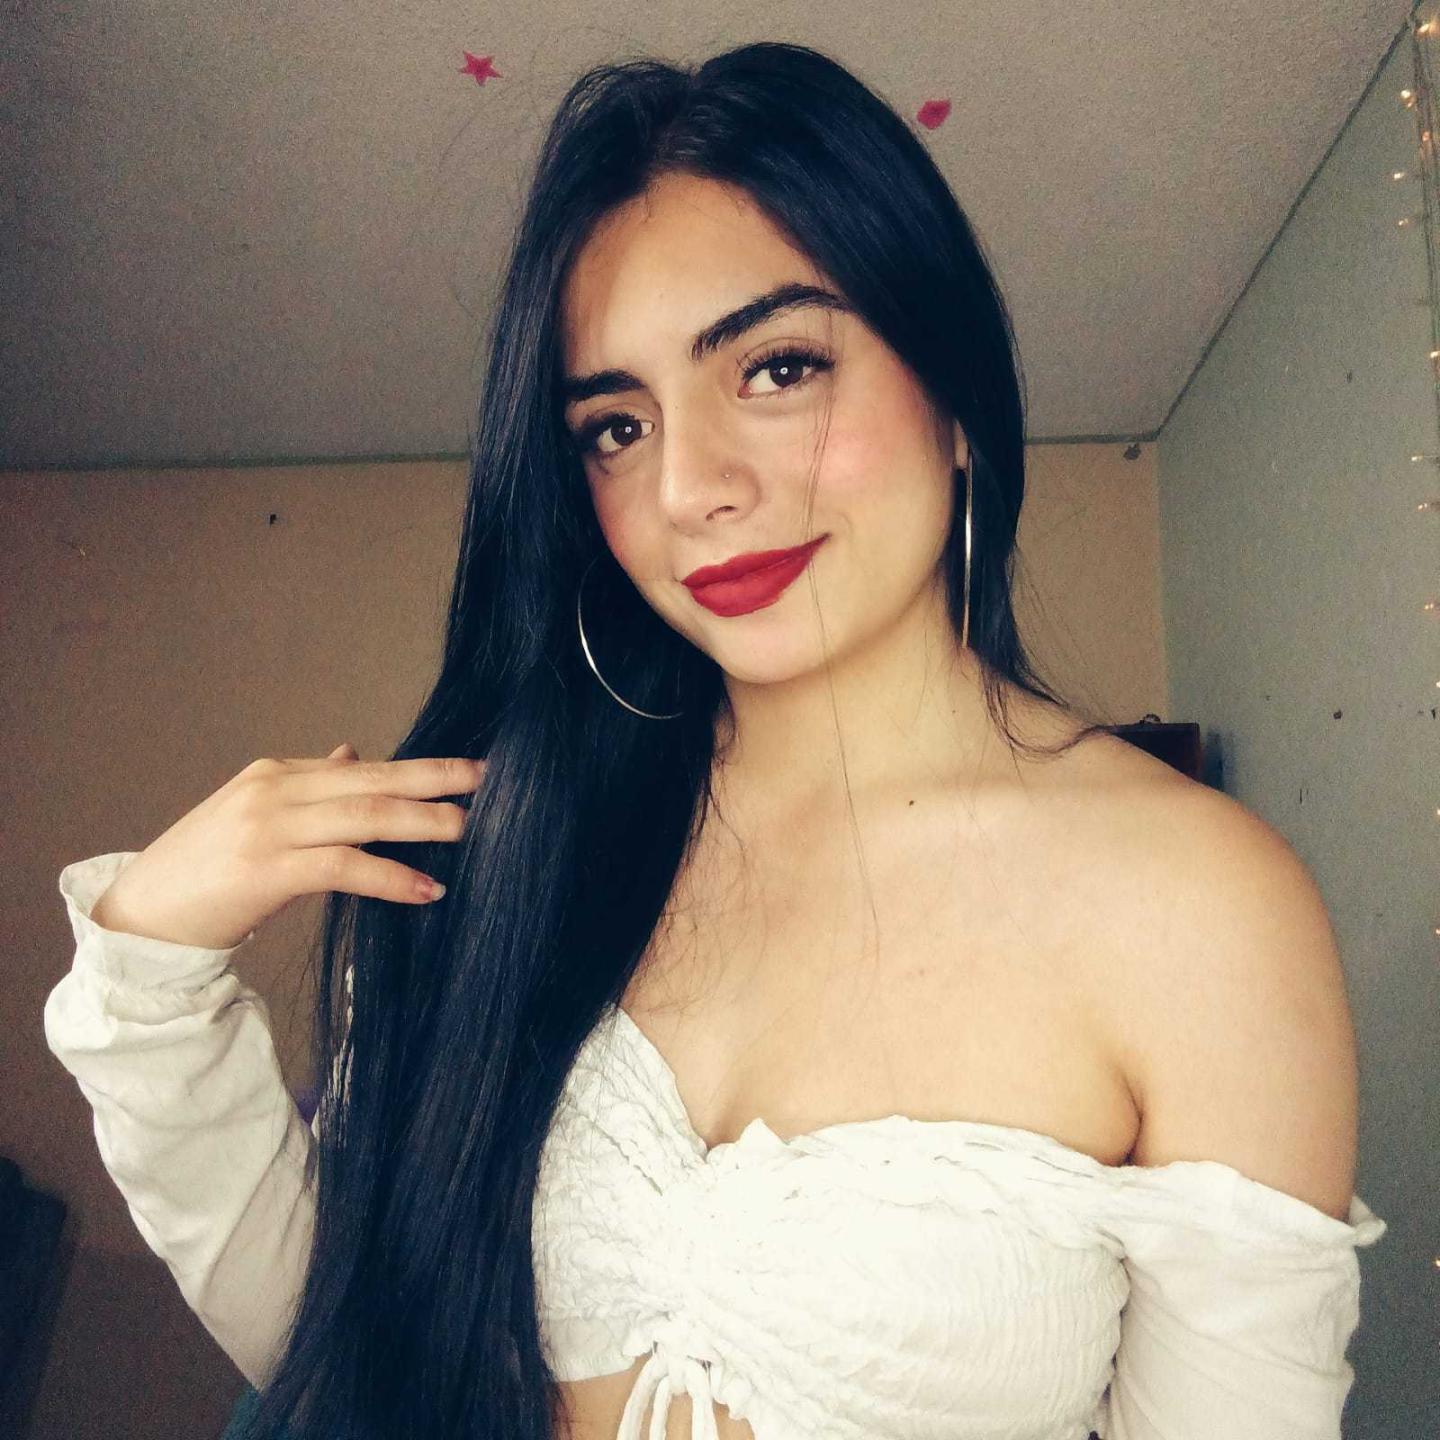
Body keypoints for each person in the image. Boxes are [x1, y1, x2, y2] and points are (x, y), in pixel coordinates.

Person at [43, 39, 1387, 1440]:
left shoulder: (1199, 901)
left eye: (777, 367)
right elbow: (353, 1355)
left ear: (953, 391)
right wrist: (147, 974)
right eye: (617, 427)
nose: (688, 486)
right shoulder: (507, 854)